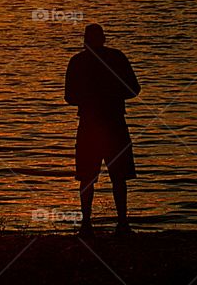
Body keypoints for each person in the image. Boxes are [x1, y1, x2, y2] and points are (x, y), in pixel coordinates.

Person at [64, 23, 140, 237]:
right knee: (118, 177)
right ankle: (122, 224)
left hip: (90, 125)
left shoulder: (77, 62)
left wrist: (88, 98)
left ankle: (86, 225)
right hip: (114, 123)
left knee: (88, 177)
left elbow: (69, 97)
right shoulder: (116, 58)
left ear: (85, 40)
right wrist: (112, 95)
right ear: (103, 39)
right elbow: (134, 89)